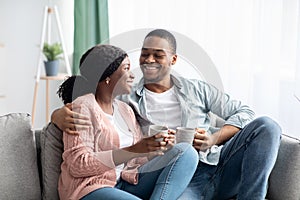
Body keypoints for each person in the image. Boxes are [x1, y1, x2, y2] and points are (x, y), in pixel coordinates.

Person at [52, 29, 282, 199]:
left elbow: (245, 112)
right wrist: (57, 116)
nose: (148, 60)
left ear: (173, 59)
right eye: (144, 54)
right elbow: (92, 102)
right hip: (182, 180)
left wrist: (214, 138)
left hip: (218, 163)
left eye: (158, 55)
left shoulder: (197, 89)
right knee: (184, 153)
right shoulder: (125, 99)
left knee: (267, 126)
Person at [56, 44, 198, 200]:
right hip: (91, 187)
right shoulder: (82, 107)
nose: (132, 75)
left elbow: (135, 159)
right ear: (107, 77)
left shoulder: (125, 110)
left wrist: (155, 148)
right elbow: (78, 165)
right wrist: (134, 149)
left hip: (125, 181)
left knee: (185, 152)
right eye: (126, 68)